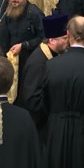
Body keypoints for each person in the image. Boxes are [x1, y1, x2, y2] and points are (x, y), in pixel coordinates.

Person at [43, 16, 84, 168]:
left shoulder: (51, 66)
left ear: (68, 35)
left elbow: (44, 100)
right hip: (83, 132)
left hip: (55, 129)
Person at [17, 14, 68, 143]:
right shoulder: (38, 63)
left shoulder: (51, 55)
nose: (68, 42)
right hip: (38, 128)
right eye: (64, 38)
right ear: (52, 40)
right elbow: (32, 100)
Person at [0, 0, 45, 87]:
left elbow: (43, 37)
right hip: (11, 60)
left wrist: (24, 45)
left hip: (29, 61)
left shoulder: (34, 13)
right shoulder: (9, 11)